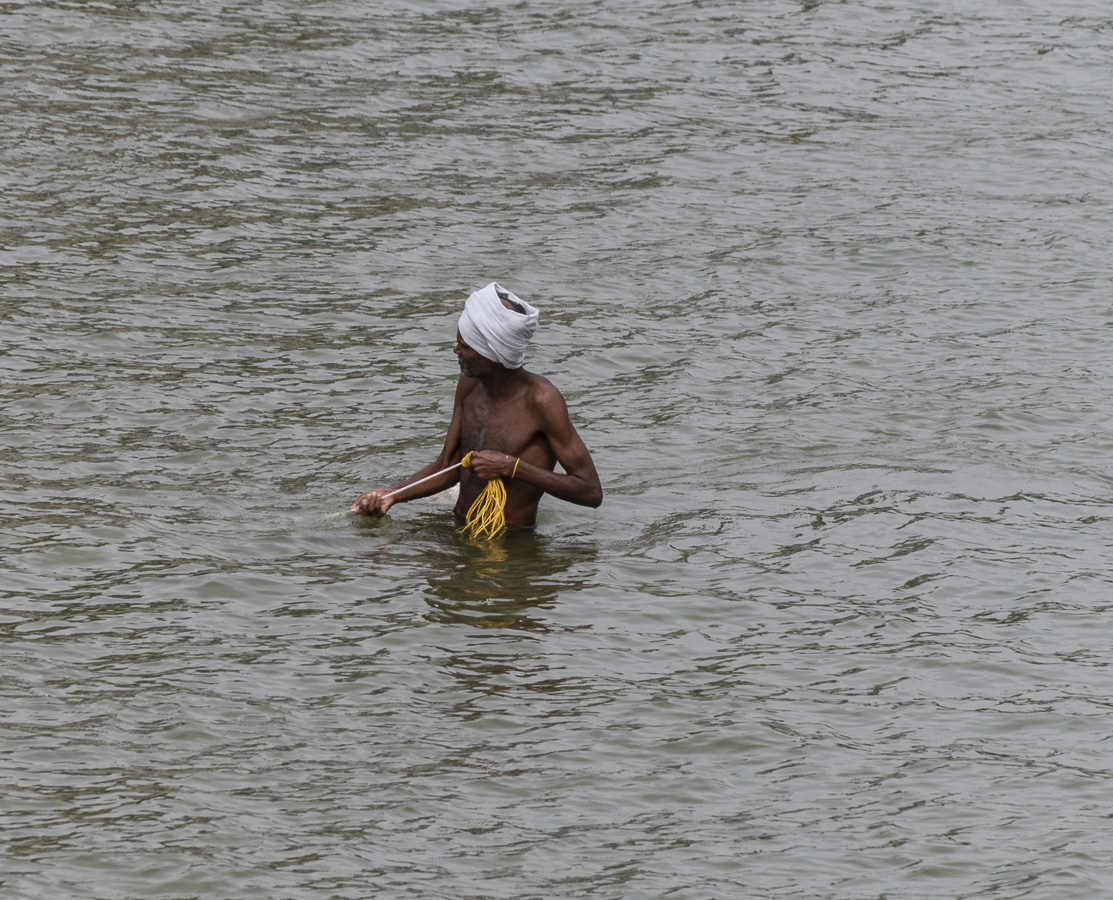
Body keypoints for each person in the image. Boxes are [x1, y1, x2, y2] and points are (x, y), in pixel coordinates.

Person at [350, 282, 603, 529]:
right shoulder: (470, 383)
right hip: (459, 528)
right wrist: (391, 494)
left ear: (491, 353)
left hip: (508, 548)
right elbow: (448, 464)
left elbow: (591, 491)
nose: (455, 350)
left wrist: (512, 467)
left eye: (465, 346)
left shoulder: (541, 400)